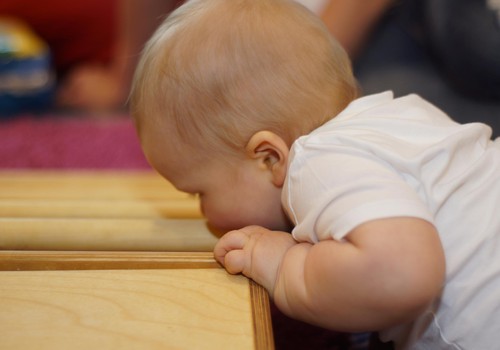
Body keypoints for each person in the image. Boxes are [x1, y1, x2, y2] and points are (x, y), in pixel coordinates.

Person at [129, 0, 500, 349]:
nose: (203, 215)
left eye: (198, 193)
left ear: (269, 159)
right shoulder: (401, 112)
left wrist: (283, 266)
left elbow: (400, 275)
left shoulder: (313, 163)